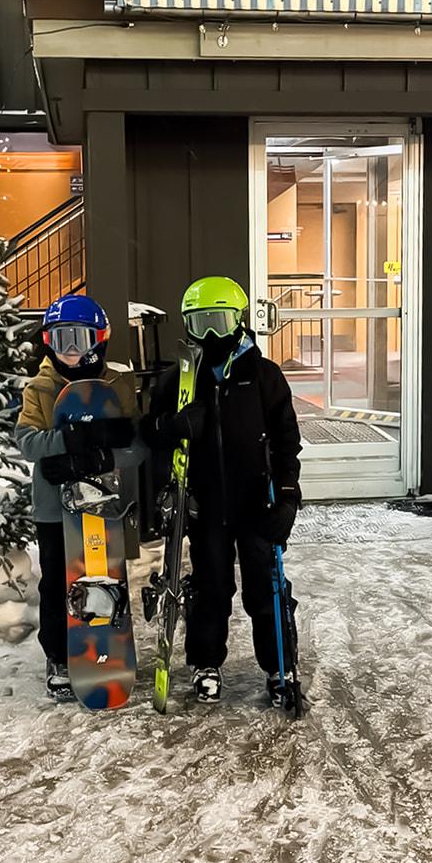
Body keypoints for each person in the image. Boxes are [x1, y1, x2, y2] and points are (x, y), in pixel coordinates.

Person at [144, 276, 301, 704]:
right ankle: (206, 662)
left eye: (219, 320)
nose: (211, 333)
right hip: (206, 505)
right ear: (187, 325)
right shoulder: (177, 379)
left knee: (263, 588)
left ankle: (279, 666)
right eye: (200, 323)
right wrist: (173, 428)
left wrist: (287, 498)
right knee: (211, 588)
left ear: (239, 320)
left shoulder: (265, 377)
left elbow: (288, 443)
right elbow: (150, 436)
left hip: (256, 503)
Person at [15, 294, 145, 702]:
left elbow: (137, 445)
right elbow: (28, 442)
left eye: (80, 338)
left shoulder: (118, 385)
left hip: (103, 504)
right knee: (56, 583)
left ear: (100, 339)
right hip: (56, 510)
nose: (70, 350)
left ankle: (106, 646)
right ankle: (57, 656)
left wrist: (105, 453)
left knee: (106, 576)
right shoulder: (40, 387)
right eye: (60, 339)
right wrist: (69, 441)